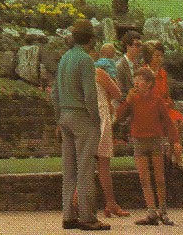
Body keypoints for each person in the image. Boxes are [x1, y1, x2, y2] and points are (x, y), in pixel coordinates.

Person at [53, 19, 111, 231]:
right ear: (91, 39)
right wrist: (96, 120)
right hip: (82, 118)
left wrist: (58, 119)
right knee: (85, 169)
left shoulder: (65, 58)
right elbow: (90, 96)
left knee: (69, 170)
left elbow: (54, 93)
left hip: (65, 116)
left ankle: (68, 216)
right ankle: (87, 217)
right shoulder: (85, 60)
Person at [116, 66, 180, 225]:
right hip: (139, 142)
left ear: (149, 83)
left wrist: (174, 141)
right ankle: (151, 211)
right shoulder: (133, 99)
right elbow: (119, 117)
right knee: (144, 178)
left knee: (159, 178)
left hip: (155, 141)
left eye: (140, 80)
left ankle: (162, 210)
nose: (136, 83)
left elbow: (167, 121)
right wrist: (127, 101)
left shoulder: (157, 100)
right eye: (135, 80)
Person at [94, 58, 128, 218]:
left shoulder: (79, 75)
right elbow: (117, 93)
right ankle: (110, 203)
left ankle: (110, 203)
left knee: (88, 162)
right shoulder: (99, 73)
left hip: (88, 118)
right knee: (103, 163)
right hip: (101, 117)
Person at [143, 40, 183, 167]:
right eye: (156, 56)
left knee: (181, 121)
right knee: (173, 123)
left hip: (164, 108)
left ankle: (172, 152)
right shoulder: (144, 72)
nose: (159, 59)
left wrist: (169, 101)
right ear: (149, 56)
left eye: (161, 56)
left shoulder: (162, 73)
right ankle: (176, 156)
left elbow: (165, 94)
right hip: (150, 110)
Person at [117, 31, 143, 96]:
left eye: (141, 45)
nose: (140, 48)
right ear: (128, 46)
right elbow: (119, 93)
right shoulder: (119, 66)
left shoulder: (139, 65)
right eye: (137, 45)